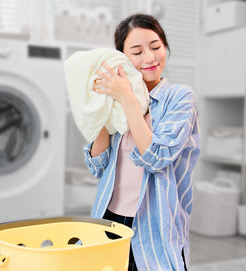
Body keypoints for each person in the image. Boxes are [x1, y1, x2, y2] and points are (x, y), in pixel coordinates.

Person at [84, 13, 200, 271]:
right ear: (122, 58)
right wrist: (103, 105)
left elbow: (157, 158)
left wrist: (127, 100)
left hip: (156, 226)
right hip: (108, 220)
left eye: (156, 47)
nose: (149, 58)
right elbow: (98, 166)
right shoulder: (117, 94)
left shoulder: (180, 98)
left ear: (165, 47)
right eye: (136, 52)